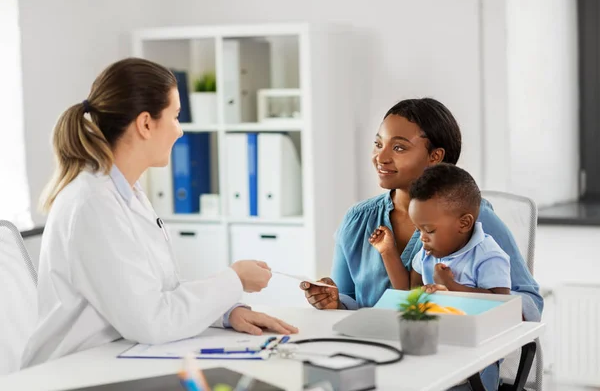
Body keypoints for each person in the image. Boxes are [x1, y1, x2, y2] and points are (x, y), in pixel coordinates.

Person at [22, 58, 297, 368]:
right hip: (72, 371)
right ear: (146, 124)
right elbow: (152, 321)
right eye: (176, 116)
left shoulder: (127, 193)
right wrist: (234, 279)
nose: (180, 131)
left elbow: (162, 292)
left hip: (113, 358)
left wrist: (226, 312)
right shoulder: (92, 203)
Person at [300, 98, 543, 322]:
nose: (380, 157)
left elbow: (530, 304)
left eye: (398, 148)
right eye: (378, 144)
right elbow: (348, 299)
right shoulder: (357, 219)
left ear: (434, 157)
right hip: (375, 351)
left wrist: (460, 296)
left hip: (455, 358)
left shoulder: (474, 217)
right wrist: (334, 303)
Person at [369, 163, 511, 296]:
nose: (422, 238)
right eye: (419, 230)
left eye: (429, 230)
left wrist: (450, 285)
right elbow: (408, 291)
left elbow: (501, 302)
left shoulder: (488, 256)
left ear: (464, 223)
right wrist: (387, 252)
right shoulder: (427, 254)